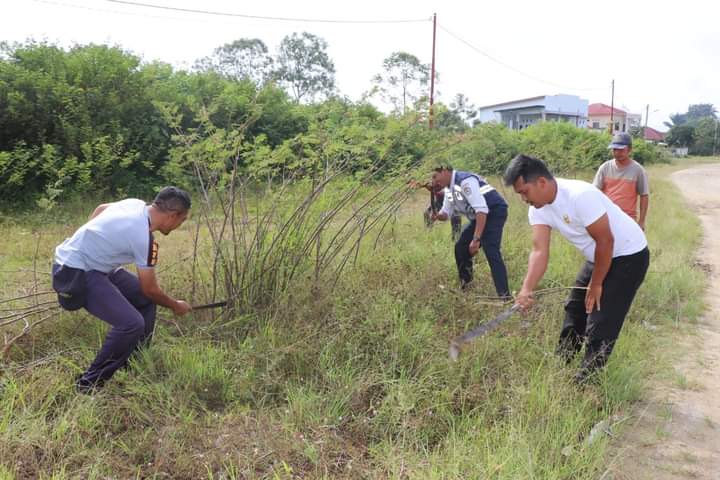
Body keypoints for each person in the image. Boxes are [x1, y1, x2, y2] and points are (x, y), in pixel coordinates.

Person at [503, 154, 649, 383]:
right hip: (599, 255)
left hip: (629, 255)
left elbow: (606, 241)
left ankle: (586, 383)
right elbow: (539, 251)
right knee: (575, 308)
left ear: (541, 182)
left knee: (601, 319)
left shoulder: (579, 195)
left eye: (524, 192)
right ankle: (562, 364)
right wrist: (526, 289)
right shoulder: (537, 207)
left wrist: (597, 283)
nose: (523, 198)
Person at [51, 186, 193, 393]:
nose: (180, 224)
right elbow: (150, 288)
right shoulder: (143, 238)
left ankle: (133, 361)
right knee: (131, 324)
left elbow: (101, 208)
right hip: (75, 272)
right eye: (183, 220)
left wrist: (91, 239)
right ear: (173, 215)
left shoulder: (134, 204)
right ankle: (87, 385)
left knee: (143, 301)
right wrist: (175, 305)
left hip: (97, 267)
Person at [430, 166, 510, 298]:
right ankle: (466, 286)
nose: (433, 181)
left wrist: (476, 239)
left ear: (444, 171)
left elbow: (482, 210)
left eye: (435, 176)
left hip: (494, 212)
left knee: (491, 251)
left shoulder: (465, 181)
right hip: (479, 217)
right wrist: (437, 215)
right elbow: (446, 213)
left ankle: (505, 296)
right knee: (460, 247)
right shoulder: (450, 189)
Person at [593, 132, 650, 230]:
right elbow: (594, 192)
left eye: (621, 150)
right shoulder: (605, 167)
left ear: (630, 149)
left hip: (628, 219)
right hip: (606, 217)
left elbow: (644, 196)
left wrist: (642, 221)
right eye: (614, 150)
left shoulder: (638, 170)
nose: (617, 153)